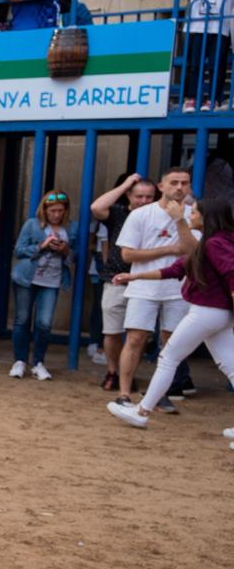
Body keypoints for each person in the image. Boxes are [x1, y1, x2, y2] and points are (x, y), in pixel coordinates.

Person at [107, 197, 234, 431]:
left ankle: (141, 411)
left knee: (169, 358)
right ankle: (141, 410)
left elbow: (231, 273)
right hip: (217, 314)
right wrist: (133, 276)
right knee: (230, 365)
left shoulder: (214, 244)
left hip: (206, 312)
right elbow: (175, 269)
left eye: (194, 212)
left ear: (207, 217)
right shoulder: (214, 242)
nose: (190, 215)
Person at [113, 167, 196, 406]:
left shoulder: (194, 214)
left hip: (179, 289)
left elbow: (193, 251)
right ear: (161, 186)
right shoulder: (141, 215)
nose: (179, 188)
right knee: (136, 338)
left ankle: (160, 395)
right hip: (144, 286)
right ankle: (124, 393)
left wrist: (180, 220)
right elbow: (127, 255)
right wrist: (169, 249)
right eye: (174, 183)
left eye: (185, 183)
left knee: (171, 342)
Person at [89, 173, 158, 391]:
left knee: (138, 336)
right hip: (116, 279)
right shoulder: (119, 214)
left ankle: (128, 374)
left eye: (149, 197)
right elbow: (96, 208)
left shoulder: (157, 216)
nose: (144, 201)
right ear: (129, 195)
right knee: (111, 332)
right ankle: (113, 371)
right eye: (139, 196)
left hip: (146, 281)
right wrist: (126, 184)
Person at [9, 191, 74, 380]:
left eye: (60, 210)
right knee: (22, 319)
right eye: (52, 210)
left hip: (52, 280)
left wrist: (65, 249)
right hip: (27, 278)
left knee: (44, 323)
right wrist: (41, 246)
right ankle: (20, 360)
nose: (56, 214)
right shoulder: (32, 224)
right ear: (44, 210)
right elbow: (19, 250)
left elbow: (75, 256)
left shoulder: (71, 228)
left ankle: (38, 362)